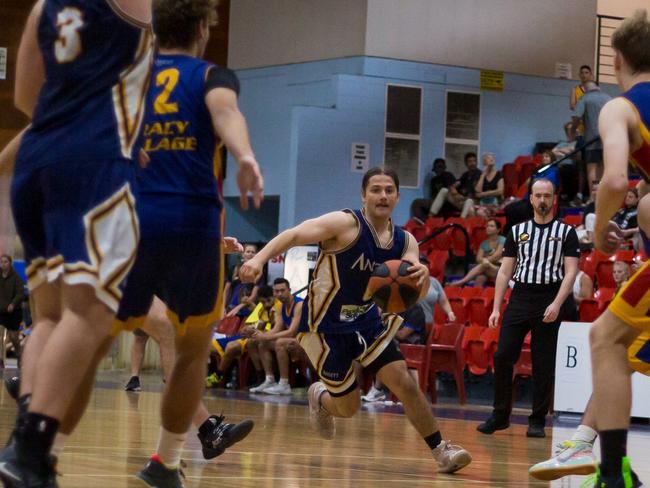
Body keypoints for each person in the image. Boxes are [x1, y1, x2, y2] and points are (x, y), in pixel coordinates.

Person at [0, 1, 154, 486]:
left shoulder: (44, 6)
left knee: (48, 316)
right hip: (96, 162)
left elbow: (26, 98)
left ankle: (30, 449)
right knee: (89, 313)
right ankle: (30, 444)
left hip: (37, 161)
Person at [110, 1, 263, 485]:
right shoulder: (208, 76)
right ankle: (183, 447)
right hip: (192, 222)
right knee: (188, 344)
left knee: (90, 322)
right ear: (202, 29)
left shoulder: (129, 79)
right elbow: (226, 112)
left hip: (135, 224)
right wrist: (244, 155)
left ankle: (171, 457)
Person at [241, 167, 472, 474]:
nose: (383, 195)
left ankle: (441, 450)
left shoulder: (405, 242)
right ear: (363, 195)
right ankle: (320, 397)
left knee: (404, 382)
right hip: (326, 327)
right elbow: (295, 234)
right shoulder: (345, 224)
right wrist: (259, 258)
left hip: (368, 323)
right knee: (348, 408)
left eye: (389, 190)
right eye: (375, 189)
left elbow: (415, 278)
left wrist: (423, 275)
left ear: (398, 196)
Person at [588, 10, 650, 486]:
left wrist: (601, 225)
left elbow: (613, 179)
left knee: (606, 338)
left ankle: (615, 476)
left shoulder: (620, 107)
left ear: (616, 60)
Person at [477, 179, 579, 438]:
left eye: (547, 195)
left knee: (542, 362)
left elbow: (571, 273)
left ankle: (537, 420)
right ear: (531, 199)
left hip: (549, 295)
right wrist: (496, 308)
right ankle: (500, 416)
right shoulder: (517, 231)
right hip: (521, 296)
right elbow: (504, 272)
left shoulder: (567, 232)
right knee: (502, 355)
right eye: (538, 195)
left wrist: (556, 303)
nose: (543, 200)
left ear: (554, 199)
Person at [252, 277, 304, 395]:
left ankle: (284, 384)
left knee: (280, 342)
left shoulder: (299, 304)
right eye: (276, 291)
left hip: (307, 340)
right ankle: (270, 380)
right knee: (262, 343)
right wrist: (259, 335)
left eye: (282, 290)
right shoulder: (280, 306)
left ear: (289, 290)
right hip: (293, 340)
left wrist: (265, 336)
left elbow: (291, 332)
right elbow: (277, 328)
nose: (279, 294)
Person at [572, 81, 612, 196]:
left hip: (591, 139)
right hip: (606, 139)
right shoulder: (608, 98)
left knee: (592, 168)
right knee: (603, 167)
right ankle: (603, 196)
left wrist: (572, 130)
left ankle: (593, 197)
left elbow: (577, 117)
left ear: (584, 89)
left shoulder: (585, 98)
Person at [450, 219, 505, 287]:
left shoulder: (503, 240)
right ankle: (476, 294)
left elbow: (497, 255)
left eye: (491, 226)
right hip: (487, 268)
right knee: (480, 278)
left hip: (500, 269)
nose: (488, 227)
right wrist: (485, 261)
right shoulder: (484, 244)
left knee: (482, 266)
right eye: (487, 226)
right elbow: (478, 258)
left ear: (498, 230)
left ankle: (461, 282)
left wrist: (485, 260)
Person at [0, 255, 25, 367]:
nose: (3, 264)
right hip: (1, 311)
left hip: (13, 312)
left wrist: (13, 304)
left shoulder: (16, 278)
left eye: (6, 262)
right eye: (2, 262)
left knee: (14, 337)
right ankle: (1, 360)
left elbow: (20, 294)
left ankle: (20, 355)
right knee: (0, 336)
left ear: (10, 263)